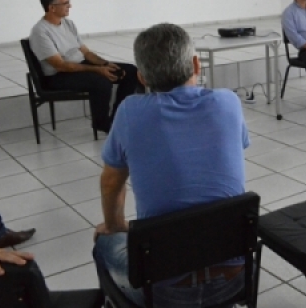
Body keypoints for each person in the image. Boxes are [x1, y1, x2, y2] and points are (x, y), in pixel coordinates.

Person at [93, 23, 249, 307]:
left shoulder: (130, 112)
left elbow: (110, 182)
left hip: (165, 293)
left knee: (103, 242)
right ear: (196, 64)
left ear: (140, 77)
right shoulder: (229, 102)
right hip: (235, 280)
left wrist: (115, 226)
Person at [29, 0, 141, 133]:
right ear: (52, 8)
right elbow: (60, 65)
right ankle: (102, 123)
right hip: (57, 76)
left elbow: (86, 52)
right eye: (65, 3)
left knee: (131, 71)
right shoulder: (40, 32)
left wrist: (106, 64)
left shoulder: (68, 24)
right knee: (101, 81)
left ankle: (117, 118)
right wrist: (98, 70)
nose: (70, 6)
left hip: (78, 65)